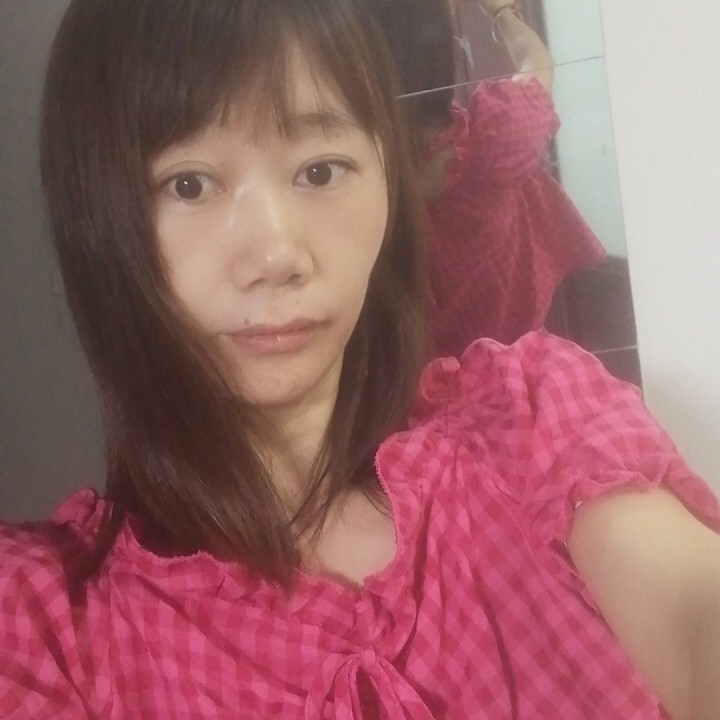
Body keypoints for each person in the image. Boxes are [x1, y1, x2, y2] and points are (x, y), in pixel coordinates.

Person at [1, 1, 719, 718]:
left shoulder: (534, 420)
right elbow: (537, 77)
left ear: (386, 182)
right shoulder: (48, 627)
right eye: (189, 184)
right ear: (99, 222)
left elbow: (696, 616)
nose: (277, 255)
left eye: (320, 171)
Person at [366, 0, 606, 357]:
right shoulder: (494, 139)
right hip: (516, 366)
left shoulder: (357, 172)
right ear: (441, 51)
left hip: (419, 379)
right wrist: (501, 11)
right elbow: (537, 62)